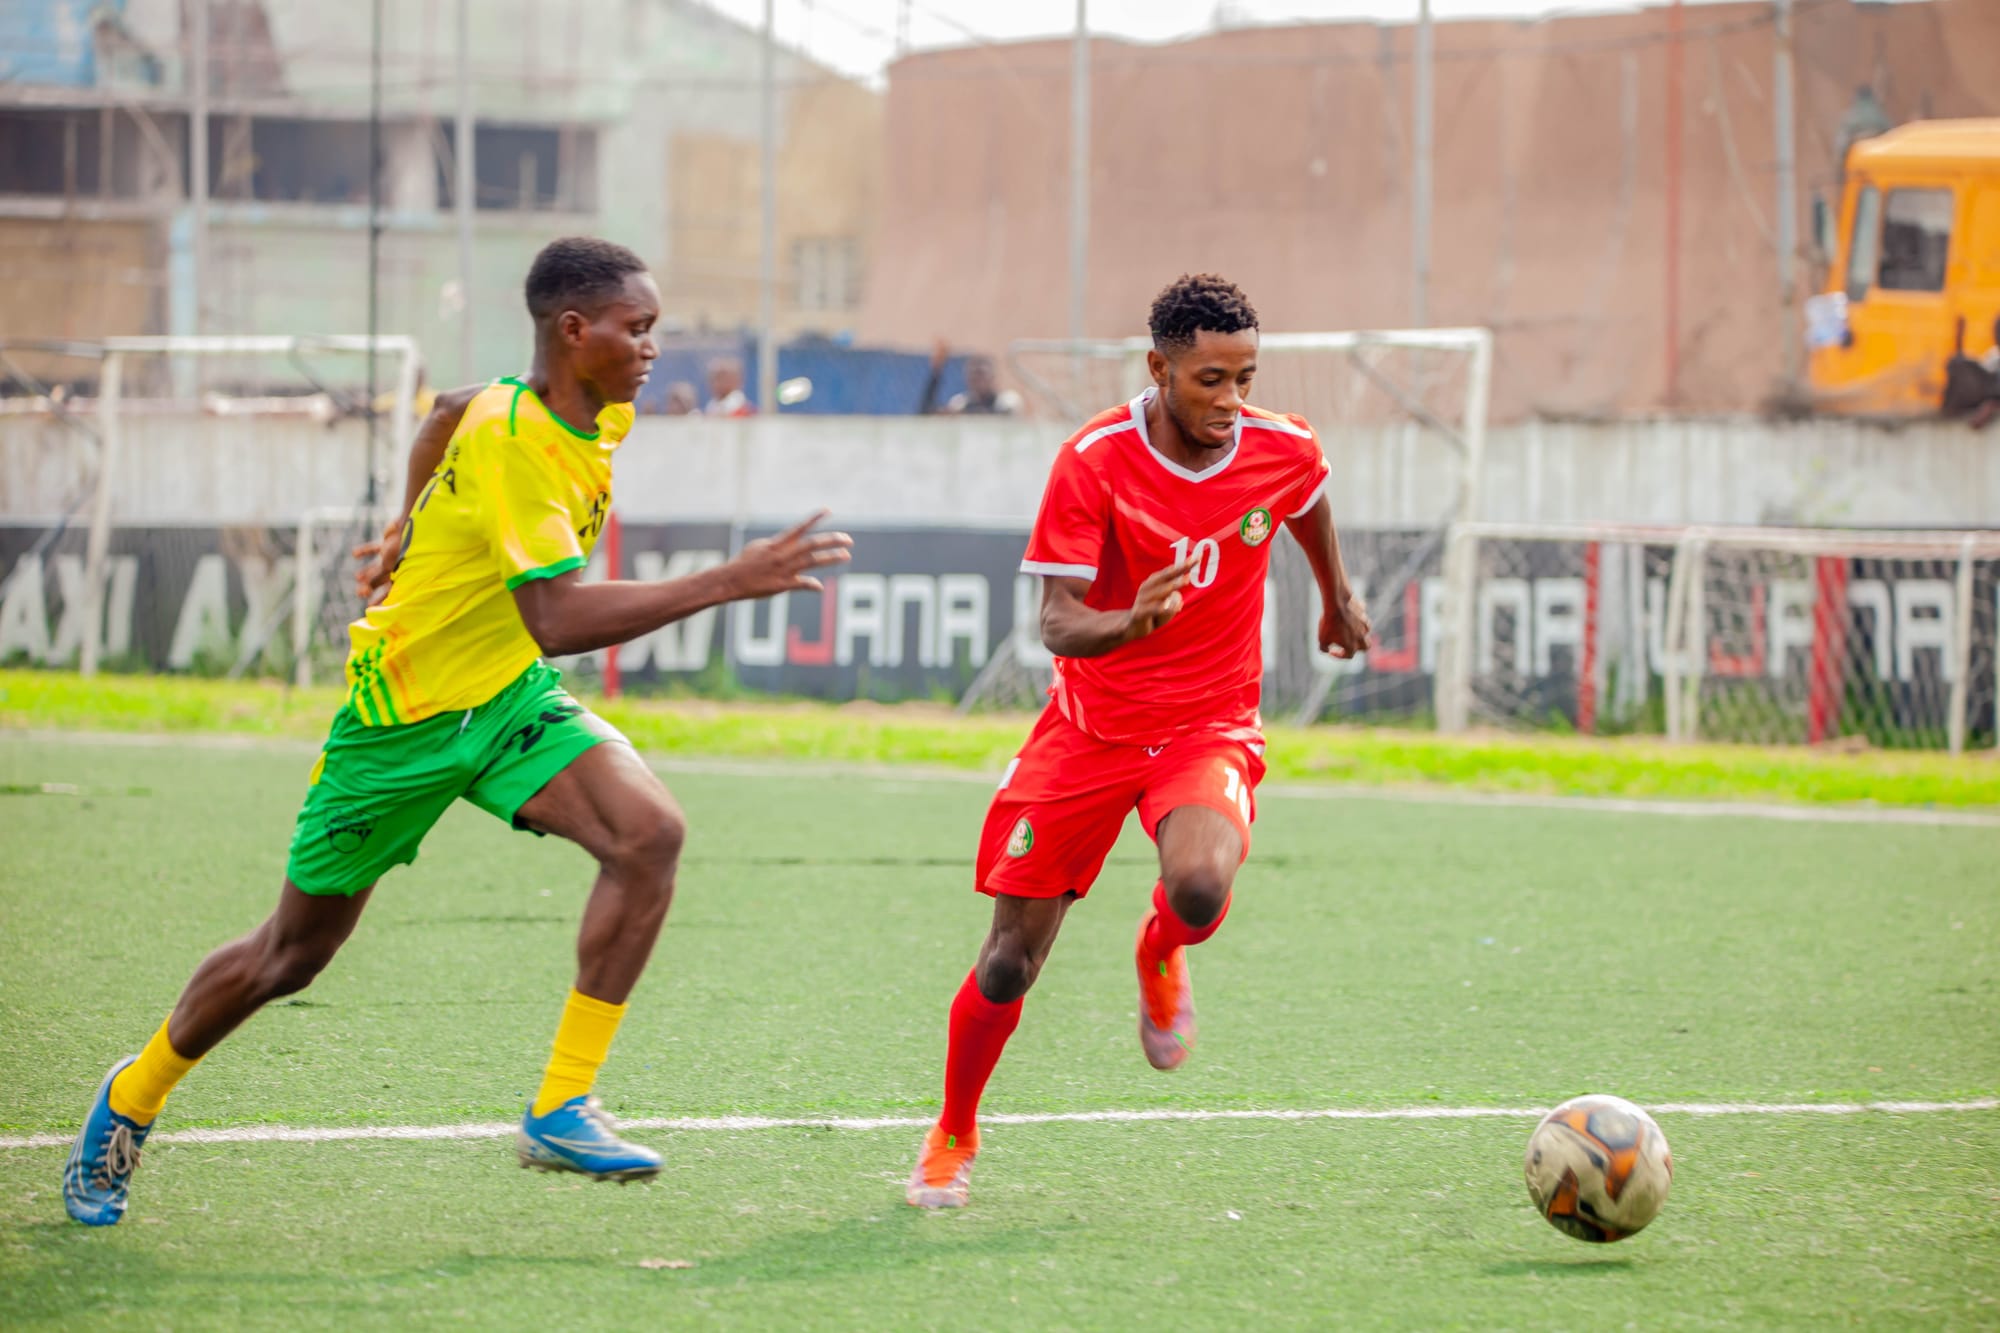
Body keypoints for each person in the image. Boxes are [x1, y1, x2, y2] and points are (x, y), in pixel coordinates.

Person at [62, 236, 852, 1227]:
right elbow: (557, 618)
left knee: (648, 835)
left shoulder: (591, 407)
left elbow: (441, 412)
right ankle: (129, 1099)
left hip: (506, 698)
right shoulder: (517, 440)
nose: (653, 348)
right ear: (576, 331)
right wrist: (729, 580)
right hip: (400, 720)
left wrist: (403, 529)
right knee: (288, 956)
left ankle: (562, 1104)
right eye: (636, 329)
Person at [904, 273, 1372, 1209]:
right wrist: (1131, 624)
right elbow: (1057, 623)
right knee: (1008, 960)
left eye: (1245, 376)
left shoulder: (1280, 447)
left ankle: (1160, 948)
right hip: (1088, 730)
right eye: (1209, 379)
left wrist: (1335, 594)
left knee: (1199, 888)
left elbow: (1306, 498)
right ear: (1158, 367)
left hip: (1209, 724)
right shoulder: (1093, 461)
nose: (1231, 401)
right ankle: (954, 1129)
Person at [919, 339, 1021, 415]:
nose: (978, 382)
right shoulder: (961, 404)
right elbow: (928, 412)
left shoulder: (1007, 401)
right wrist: (937, 370)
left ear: (992, 377)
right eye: (974, 377)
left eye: (981, 375)